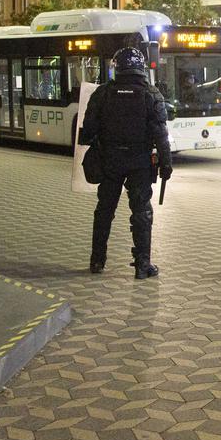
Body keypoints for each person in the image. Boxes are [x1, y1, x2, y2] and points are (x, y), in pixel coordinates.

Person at [78, 47, 171, 278]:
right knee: (142, 212)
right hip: (140, 163)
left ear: (116, 67)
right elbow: (161, 134)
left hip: (110, 161)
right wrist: (166, 164)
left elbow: (87, 130)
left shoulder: (102, 93)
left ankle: (97, 260)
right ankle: (142, 265)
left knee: (104, 211)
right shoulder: (152, 94)